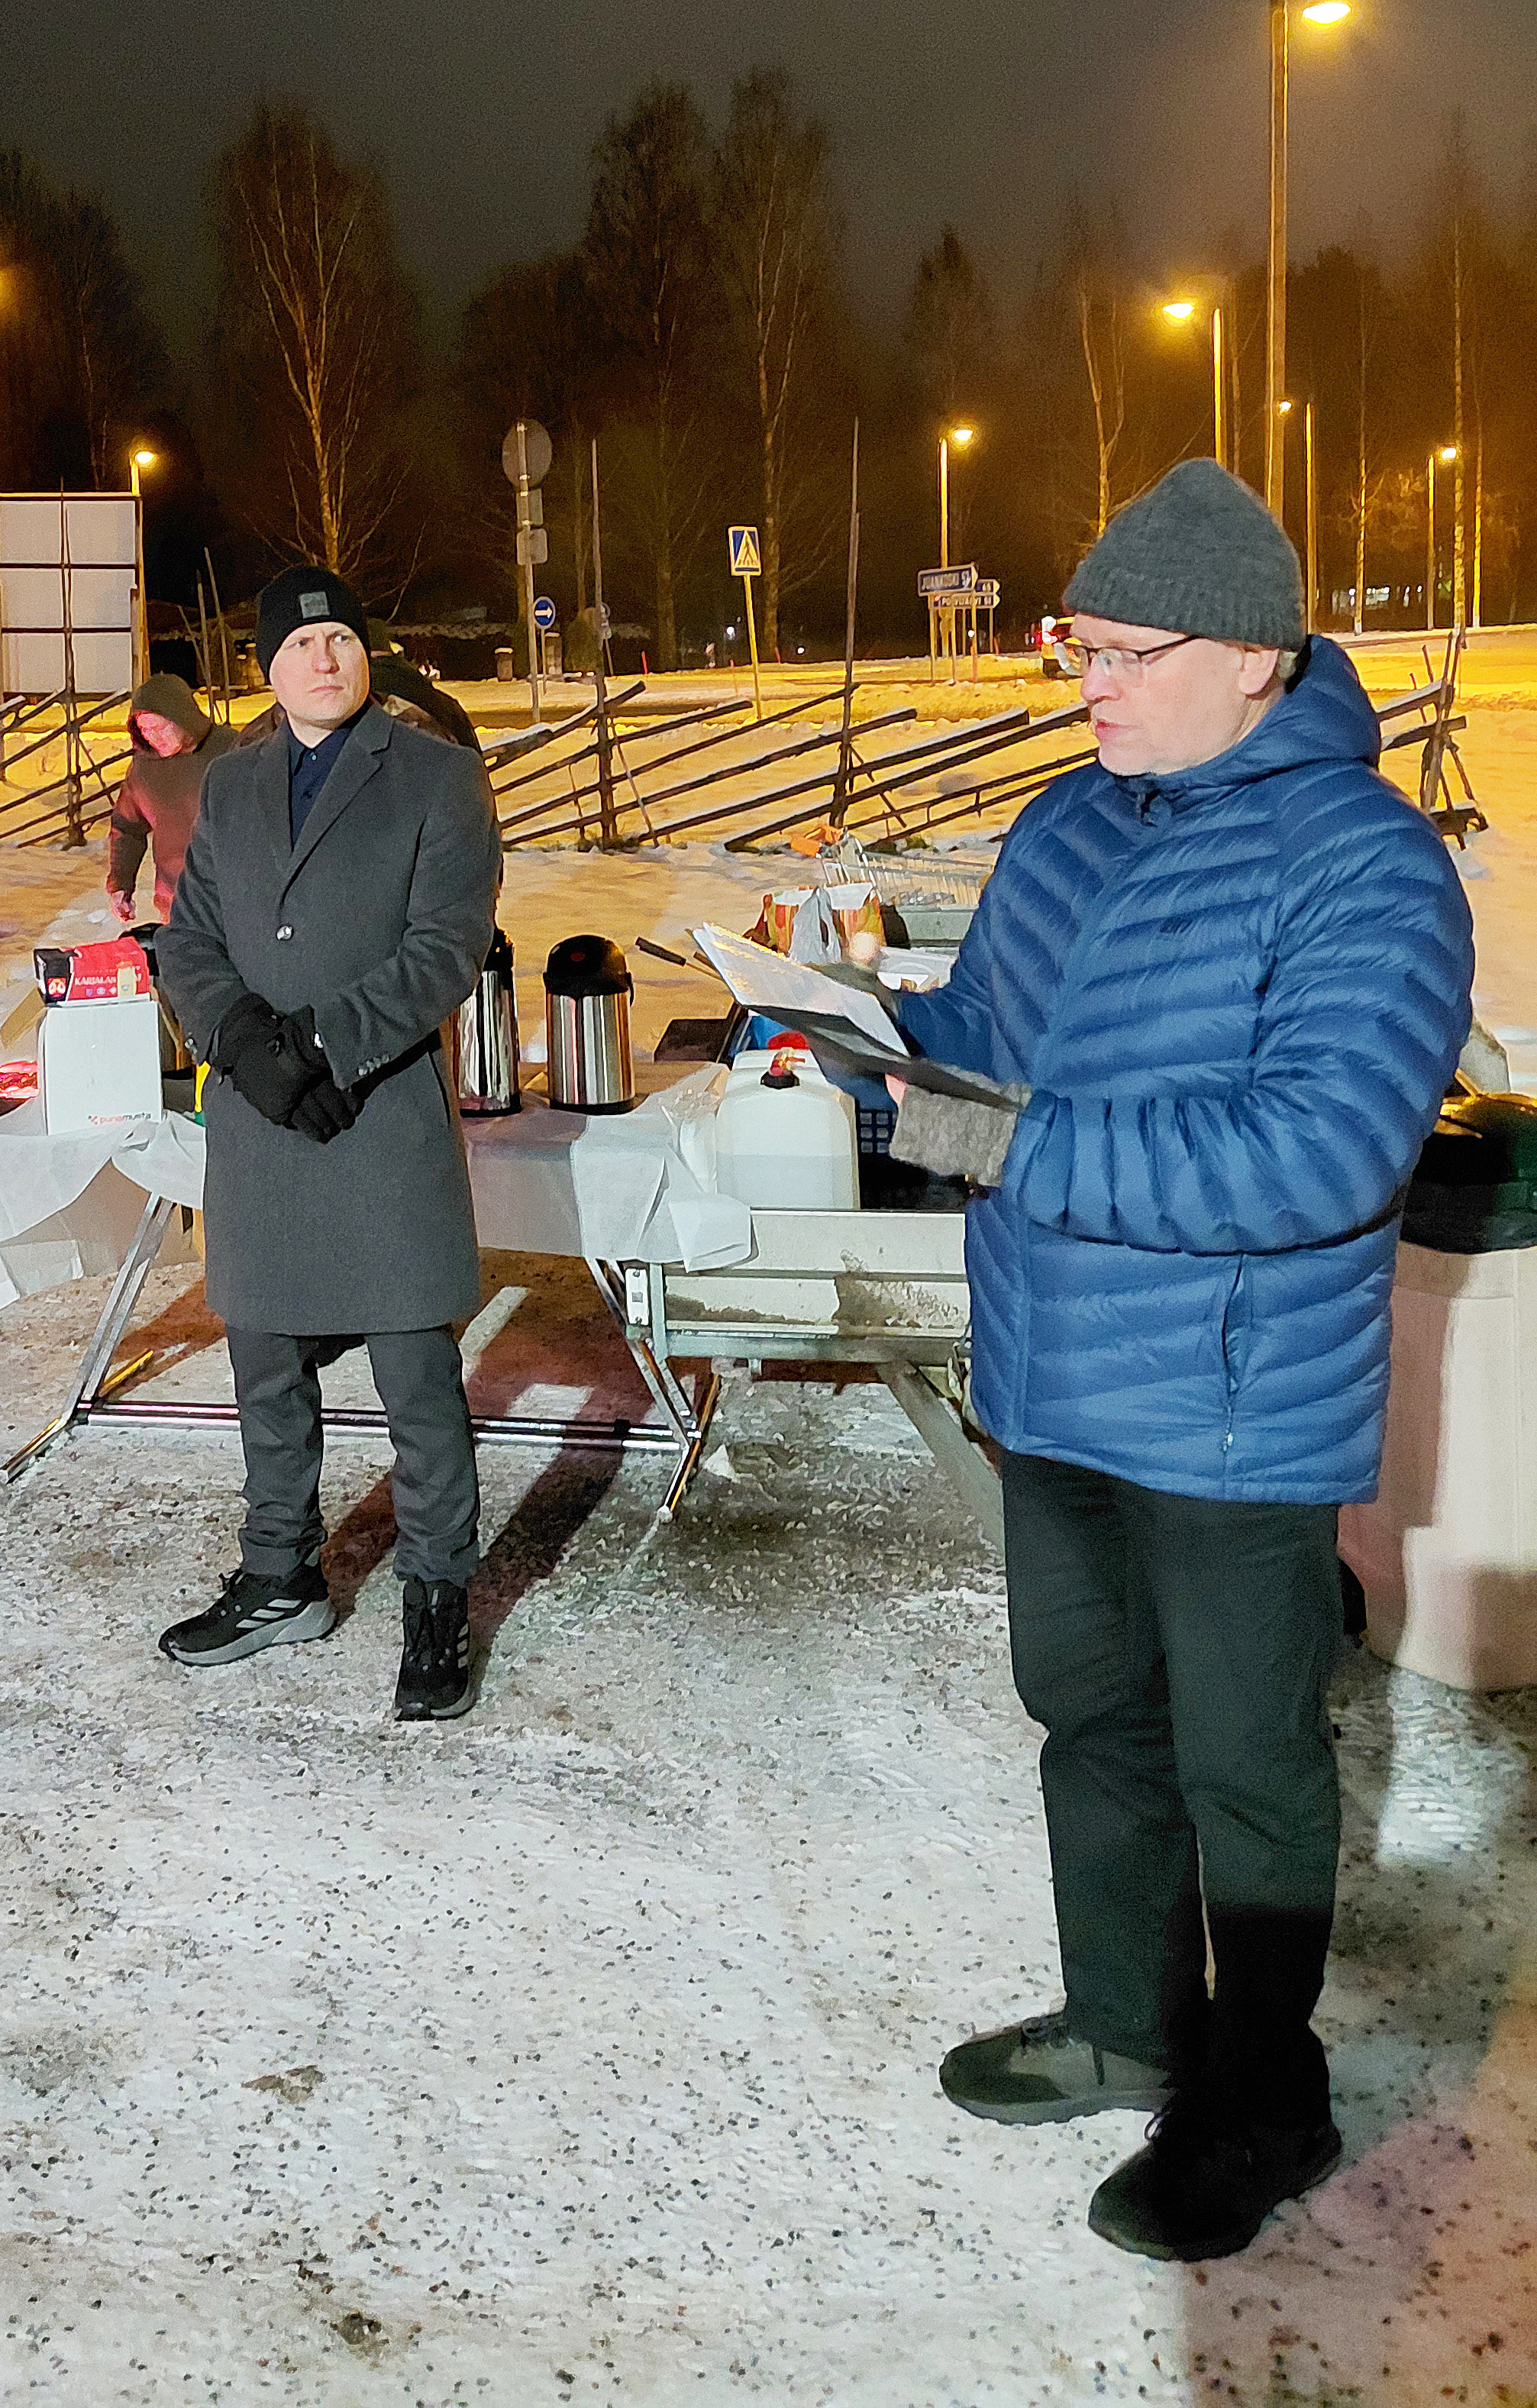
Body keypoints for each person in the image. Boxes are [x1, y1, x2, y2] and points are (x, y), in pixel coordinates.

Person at [892, 461, 1475, 2261]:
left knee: (1247, 1766)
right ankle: (1126, 2021)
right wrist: (868, 1040)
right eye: (1076, 646)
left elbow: (1319, 1152)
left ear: (1251, 658)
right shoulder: (1067, 824)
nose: (1089, 683)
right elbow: (988, 1038)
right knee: (1090, 1715)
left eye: (1125, 654)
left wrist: (1016, 1143)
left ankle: (1266, 2096)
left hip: (1230, 1409)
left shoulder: (1365, 863)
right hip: (1050, 1375)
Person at [155, 567, 502, 1721]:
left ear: (366, 656)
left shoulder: (438, 778)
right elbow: (190, 939)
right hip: (262, 1120)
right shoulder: (232, 783)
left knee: (416, 1373)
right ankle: (280, 1578)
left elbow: (446, 947)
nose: (323, 658)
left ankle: (437, 1595)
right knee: (264, 1363)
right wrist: (246, 1047)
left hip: (379, 1113)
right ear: (267, 668)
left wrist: (319, 1043)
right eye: (301, 645)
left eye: (342, 639)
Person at [105, 673, 234, 924]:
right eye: (144, 729)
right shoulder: (144, 767)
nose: (153, 737)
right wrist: (121, 884)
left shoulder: (229, 751)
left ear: (182, 718)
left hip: (229, 898)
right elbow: (127, 827)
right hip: (174, 902)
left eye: (159, 727)